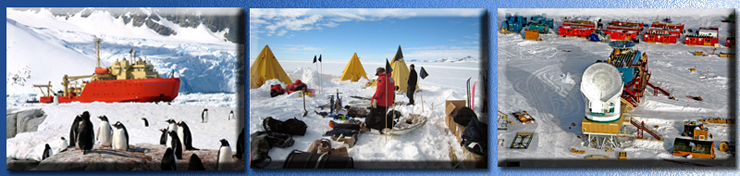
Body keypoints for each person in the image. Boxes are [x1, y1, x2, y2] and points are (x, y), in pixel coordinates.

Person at [365, 67, 395, 133]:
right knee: (383, 116)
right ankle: (382, 129)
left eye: (378, 73)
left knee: (372, 113)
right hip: (387, 101)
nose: (378, 75)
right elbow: (393, 90)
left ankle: (367, 127)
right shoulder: (391, 79)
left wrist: (375, 98)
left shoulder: (382, 78)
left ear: (380, 72)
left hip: (380, 101)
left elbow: (379, 90)